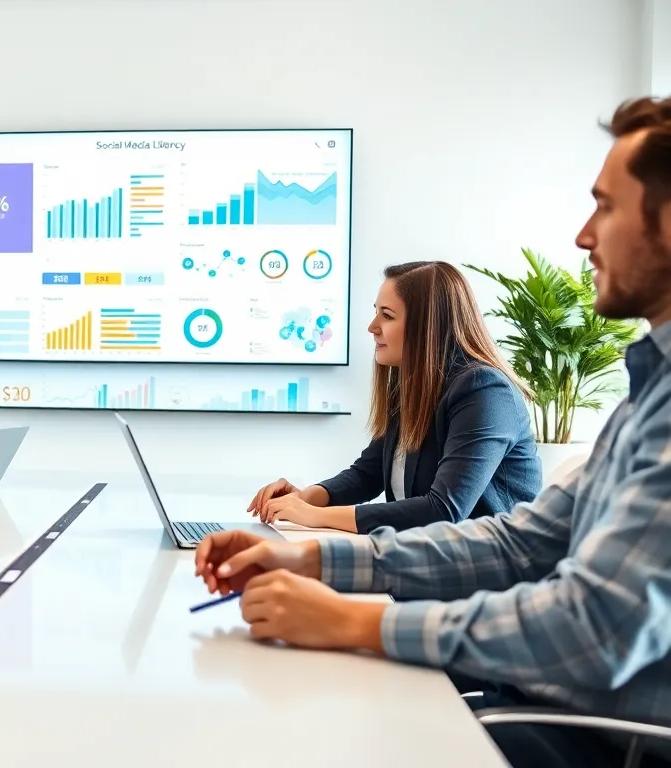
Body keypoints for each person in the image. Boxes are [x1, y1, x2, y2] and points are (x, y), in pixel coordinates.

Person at [193, 96, 671, 768]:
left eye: (606, 207)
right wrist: (310, 558)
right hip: (538, 698)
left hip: (600, 737)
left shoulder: (489, 391)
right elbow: (520, 541)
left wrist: (354, 619)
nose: (583, 236)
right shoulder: (648, 395)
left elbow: (593, 629)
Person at [247, 260, 541, 533]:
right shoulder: (413, 386)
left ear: (428, 325)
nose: (372, 327)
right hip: (430, 556)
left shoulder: (485, 390)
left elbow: (443, 510)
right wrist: (306, 498)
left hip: (488, 567)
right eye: (376, 312)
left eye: (386, 315)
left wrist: (315, 516)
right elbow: (369, 473)